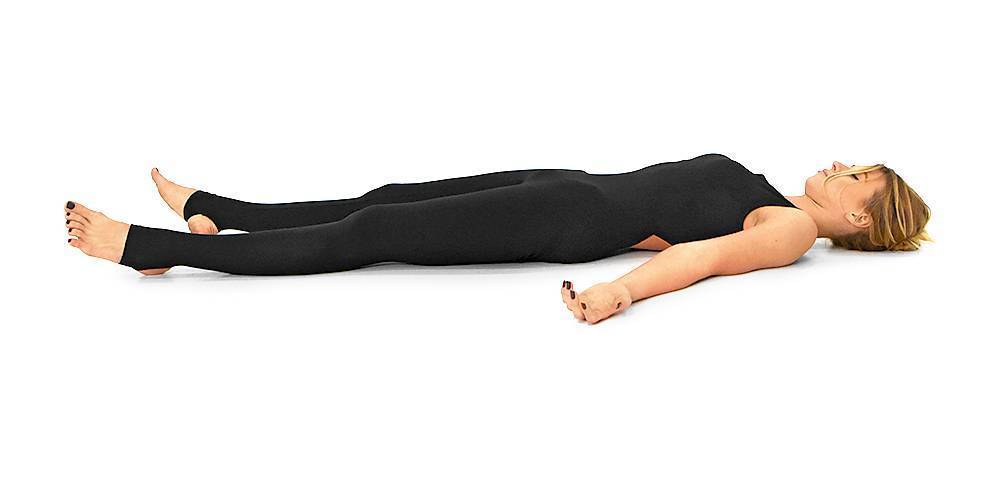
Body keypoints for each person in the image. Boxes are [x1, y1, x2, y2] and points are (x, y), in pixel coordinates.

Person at [63, 153, 932, 324]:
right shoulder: (774, 191)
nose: (838, 166)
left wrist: (622, 291)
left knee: (373, 233)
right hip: (568, 184)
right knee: (385, 198)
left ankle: (152, 247)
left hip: (568, 220)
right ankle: (218, 210)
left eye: (857, 177)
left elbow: (702, 257)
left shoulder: (789, 229)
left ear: (861, 218)